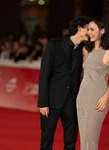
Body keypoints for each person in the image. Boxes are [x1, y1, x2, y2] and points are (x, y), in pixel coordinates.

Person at [37, 16, 91, 150]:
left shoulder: (83, 50)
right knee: (47, 139)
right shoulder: (54, 45)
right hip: (52, 100)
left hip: (72, 101)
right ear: (79, 28)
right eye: (88, 29)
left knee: (71, 141)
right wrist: (43, 103)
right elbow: (44, 75)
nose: (90, 33)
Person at [76, 17, 109, 150]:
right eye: (88, 29)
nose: (89, 32)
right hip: (82, 98)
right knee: (84, 138)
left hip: (98, 99)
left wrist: (106, 96)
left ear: (102, 31)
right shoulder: (86, 50)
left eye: (92, 29)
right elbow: (83, 73)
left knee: (91, 139)